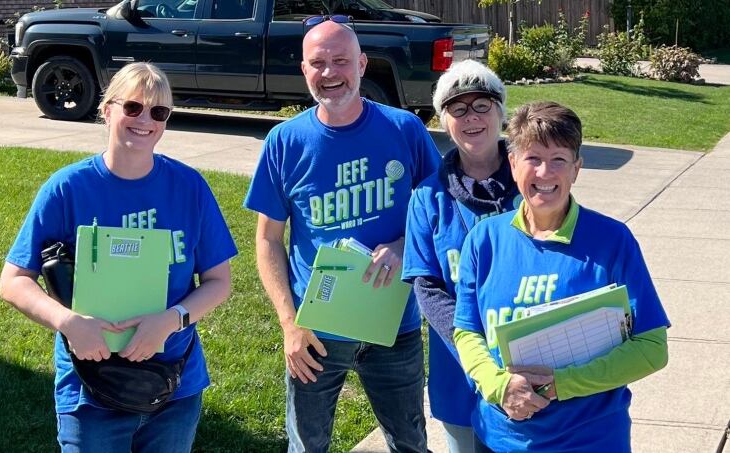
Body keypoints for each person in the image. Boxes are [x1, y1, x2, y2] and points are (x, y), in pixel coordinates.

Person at [0, 62, 237, 452]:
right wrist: (69, 322)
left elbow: (218, 281)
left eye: (159, 112)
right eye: (133, 107)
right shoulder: (68, 189)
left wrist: (170, 320)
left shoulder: (189, 187)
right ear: (107, 109)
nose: (146, 120)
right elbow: (13, 281)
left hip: (173, 383)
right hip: (91, 388)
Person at [243, 18, 440, 453]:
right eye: (318, 63)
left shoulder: (405, 129)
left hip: (394, 324)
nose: (330, 73)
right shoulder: (284, 141)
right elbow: (267, 240)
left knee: (410, 442)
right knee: (306, 445)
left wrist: (405, 247)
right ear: (304, 70)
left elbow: (440, 216)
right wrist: (289, 323)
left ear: (363, 64)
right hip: (316, 330)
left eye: (340, 61)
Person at [453, 101, 670, 452]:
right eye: (533, 158)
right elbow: (467, 330)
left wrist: (560, 384)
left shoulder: (612, 241)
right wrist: (500, 386)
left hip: (589, 439)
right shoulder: (484, 239)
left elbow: (651, 348)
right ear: (512, 163)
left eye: (559, 160)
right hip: (498, 438)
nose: (544, 173)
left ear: (577, 169)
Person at [402, 59, 520, 453]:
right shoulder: (427, 197)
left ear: (501, 111)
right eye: (458, 108)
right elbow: (427, 287)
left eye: (482, 105)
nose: (471, 117)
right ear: (444, 120)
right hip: (460, 370)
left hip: (527, 363)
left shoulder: (533, 184)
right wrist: (476, 352)